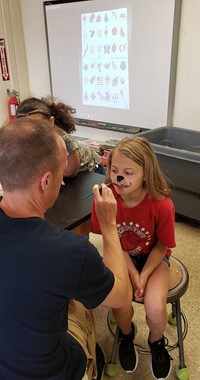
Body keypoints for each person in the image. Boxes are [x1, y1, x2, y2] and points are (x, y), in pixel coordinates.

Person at [0, 118, 133, 380]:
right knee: (82, 303)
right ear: (46, 181)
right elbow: (122, 296)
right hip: (55, 372)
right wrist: (108, 225)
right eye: (61, 173)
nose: (62, 182)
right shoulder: (71, 252)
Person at [91, 136, 176, 380]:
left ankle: (156, 342)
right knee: (119, 301)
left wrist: (144, 275)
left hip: (153, 258)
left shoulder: (161, 204)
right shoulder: (107, 200)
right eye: (114, 170)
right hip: (120, 254)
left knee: (155, 307)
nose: (118, 178)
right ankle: (126, 336)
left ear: (146, 174)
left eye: (128, 172)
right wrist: (132, 275)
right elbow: (112, 241)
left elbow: (162, 245)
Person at [16, 96, 105, 177]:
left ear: (51, 121)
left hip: (91, 170)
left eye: (39, 127)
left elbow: (71, 171)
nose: (34, 133)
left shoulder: (62, 139)